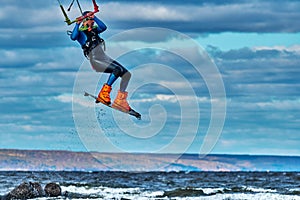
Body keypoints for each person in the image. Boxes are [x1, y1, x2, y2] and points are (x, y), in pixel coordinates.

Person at [70, 11, 132, 112]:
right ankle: (103, 94)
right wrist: (77, 23)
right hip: (95, 60)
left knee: (126, 74)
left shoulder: (95, 30)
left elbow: (103, 27)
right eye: (91, 20)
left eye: (93, 20)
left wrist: (94, 17)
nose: (93, 22)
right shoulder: (80, 33)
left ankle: (120, 100)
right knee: (117, 70)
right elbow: (73, 37)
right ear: (85, 21)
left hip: (104, 58)